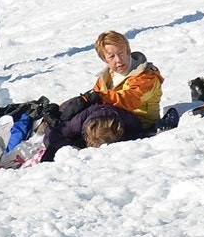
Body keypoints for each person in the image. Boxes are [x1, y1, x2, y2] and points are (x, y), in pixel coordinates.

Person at [42, 31, 164, 161]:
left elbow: (129, 99)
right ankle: (59, 146)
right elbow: (93, 98)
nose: (118, 60)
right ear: (104, 59)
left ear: (128, 51)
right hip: (115, 118)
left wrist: (95, 97)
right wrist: (61, 110)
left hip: (140, 122)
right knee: (74, 115)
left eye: (121, 53)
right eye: (112, 57)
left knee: (102, 115)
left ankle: (76, 150)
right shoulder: (107, 77)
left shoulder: (146, 75)